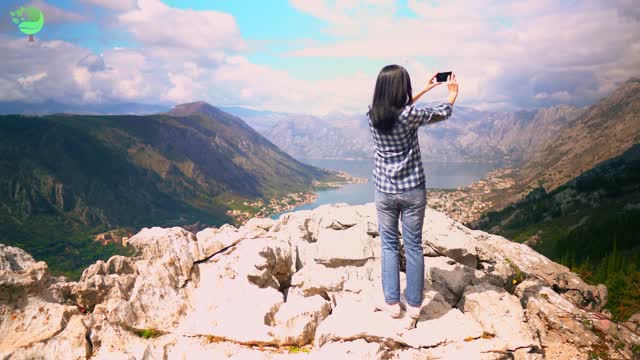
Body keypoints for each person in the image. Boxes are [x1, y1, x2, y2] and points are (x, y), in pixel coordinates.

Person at [367, 65, 458, 320]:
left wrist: (426, 89)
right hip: (412, 190)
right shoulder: (410, 117)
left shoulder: (372, 115)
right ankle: (415, 306)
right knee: (414, 246)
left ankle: (392, 303)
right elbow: (442, 112)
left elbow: (398, 109)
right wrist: (450, 93)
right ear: (401, 89)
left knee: (388, 246)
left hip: (384, 191)